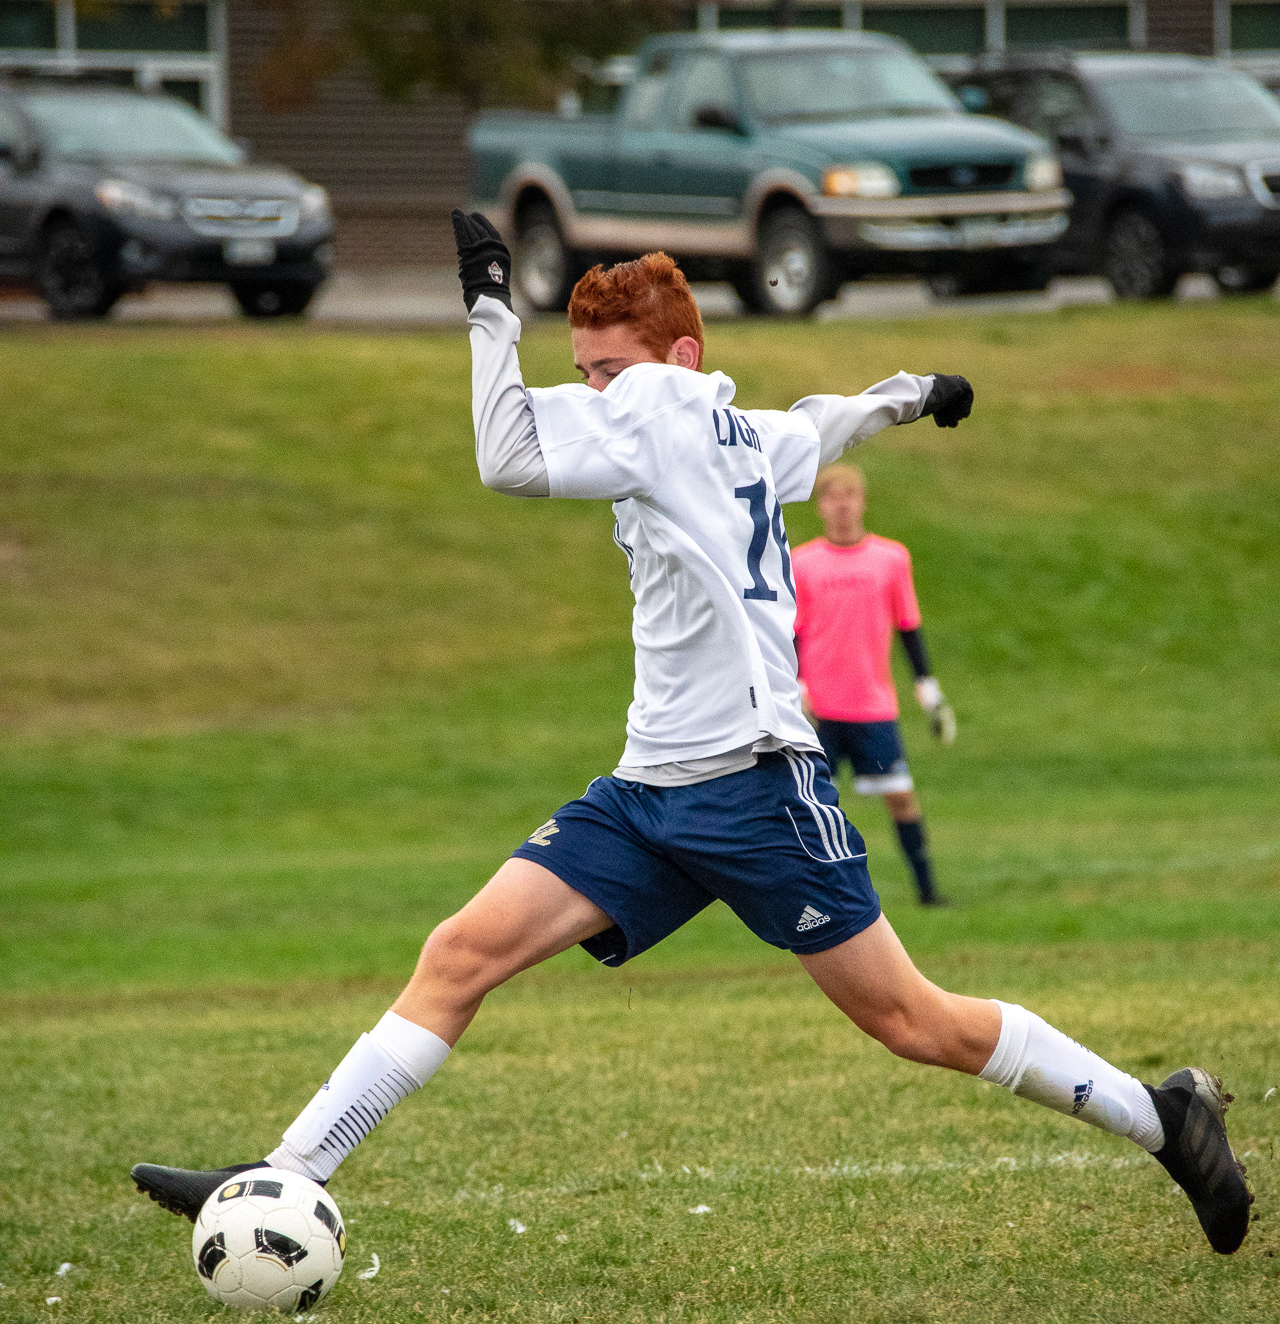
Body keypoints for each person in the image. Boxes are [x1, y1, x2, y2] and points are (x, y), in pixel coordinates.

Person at [130, 215, 1251, 1257]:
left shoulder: (656, 412)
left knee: (914, 1021)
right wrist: (916, 394)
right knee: (460, 953)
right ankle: (285, 1173)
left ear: (677, 358)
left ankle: (1160, 1118)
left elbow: (505, 458)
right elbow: (820, 421)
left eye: (608, 371)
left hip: (758, 790)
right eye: (583, 374)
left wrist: (489, 310)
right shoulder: (737, 429)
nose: (596, 394)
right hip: (646, 793)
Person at [792, 462, 953, 907]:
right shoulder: (801, 563)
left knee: (901, 797)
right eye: (832, 497)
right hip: (819, 711)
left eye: (850, 496)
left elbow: (908, 625)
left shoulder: (891, 558)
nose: (842, 505)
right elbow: (792, 632)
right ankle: (810, 901)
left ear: (862, 501)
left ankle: (928, 893)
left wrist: (926, 684)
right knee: (809, 808)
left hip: (873, 706)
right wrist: (795, 683)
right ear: (821, 506)